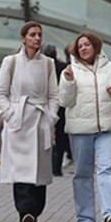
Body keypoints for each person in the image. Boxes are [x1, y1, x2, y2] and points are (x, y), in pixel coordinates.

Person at [58, 32, 111, 222]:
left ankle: (110, 214)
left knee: (107, 169)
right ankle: (85, 218)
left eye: (87, 44)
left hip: (108, 129)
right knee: (82, 173)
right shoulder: (70, 71)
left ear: (96, 46)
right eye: (80, 46)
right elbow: (65, 102)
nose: (83, 48)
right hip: (80, 130)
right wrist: (67, 82)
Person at [0, 21, 59, 222]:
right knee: (21, 171)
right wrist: (11, 115)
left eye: (39, 34)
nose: (37, 38)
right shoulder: (10, 62)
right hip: (19, 122)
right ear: (23, 39)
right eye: (32, 34)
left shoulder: (48, 63)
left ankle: (35, 212)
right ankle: (26, 212)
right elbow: (0, 93)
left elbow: (53, 95)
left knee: (39, 171)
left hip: (40, 120)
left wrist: (51, 117)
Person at [42, 44, 70, 177]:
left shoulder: (41, 68)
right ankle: (56, 168)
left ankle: (44, 166)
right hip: (62, 107)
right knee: (60, 138)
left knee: (43, 137)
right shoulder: (63, 67)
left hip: (44, 105)